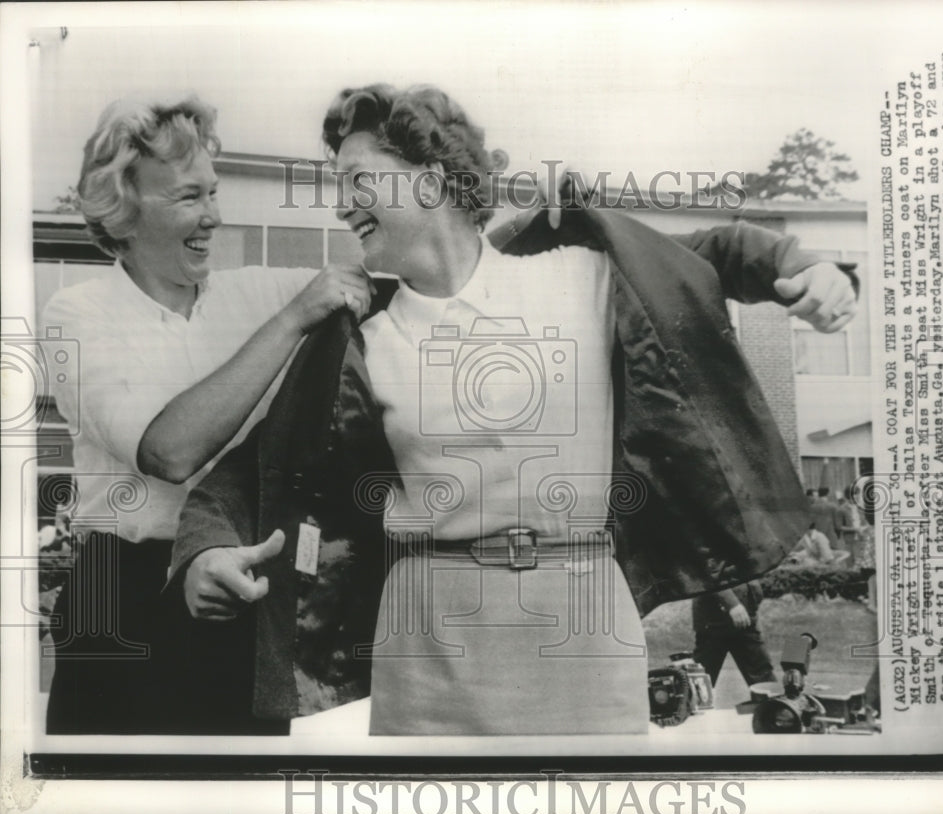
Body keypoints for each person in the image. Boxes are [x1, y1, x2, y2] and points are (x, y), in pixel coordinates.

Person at [171, 83, 860, 735]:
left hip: (586, 625)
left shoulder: (576, 274)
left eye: (359, 180)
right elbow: (258, 470)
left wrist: (806, 267)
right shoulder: (362, 337)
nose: (342, 205)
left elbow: (712, 253)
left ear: (431, 179)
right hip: (430, 644)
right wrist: (203, 550)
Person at [41, 95, 371, 734]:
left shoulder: (253, 290)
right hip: (124, 595)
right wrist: (294, 317)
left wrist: (527, 224)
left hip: (244, 590)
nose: (215, 217)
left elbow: (407, 269)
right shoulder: (77, 315)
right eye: (189, 198)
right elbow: (170, 451)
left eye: (214, 194)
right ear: (124, 210)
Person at [691, 581, 776, 687]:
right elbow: (708, 574)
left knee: (764, 679)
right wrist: (731, 603)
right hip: (714, 620)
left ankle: (768, 703)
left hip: (746, 619)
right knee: (700, 683)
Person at [810, 486, 842, 553]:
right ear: (828, 494)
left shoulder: (811, 507)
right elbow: (838, 525)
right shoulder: (833, 506)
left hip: (817, 538)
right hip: (831, 537)